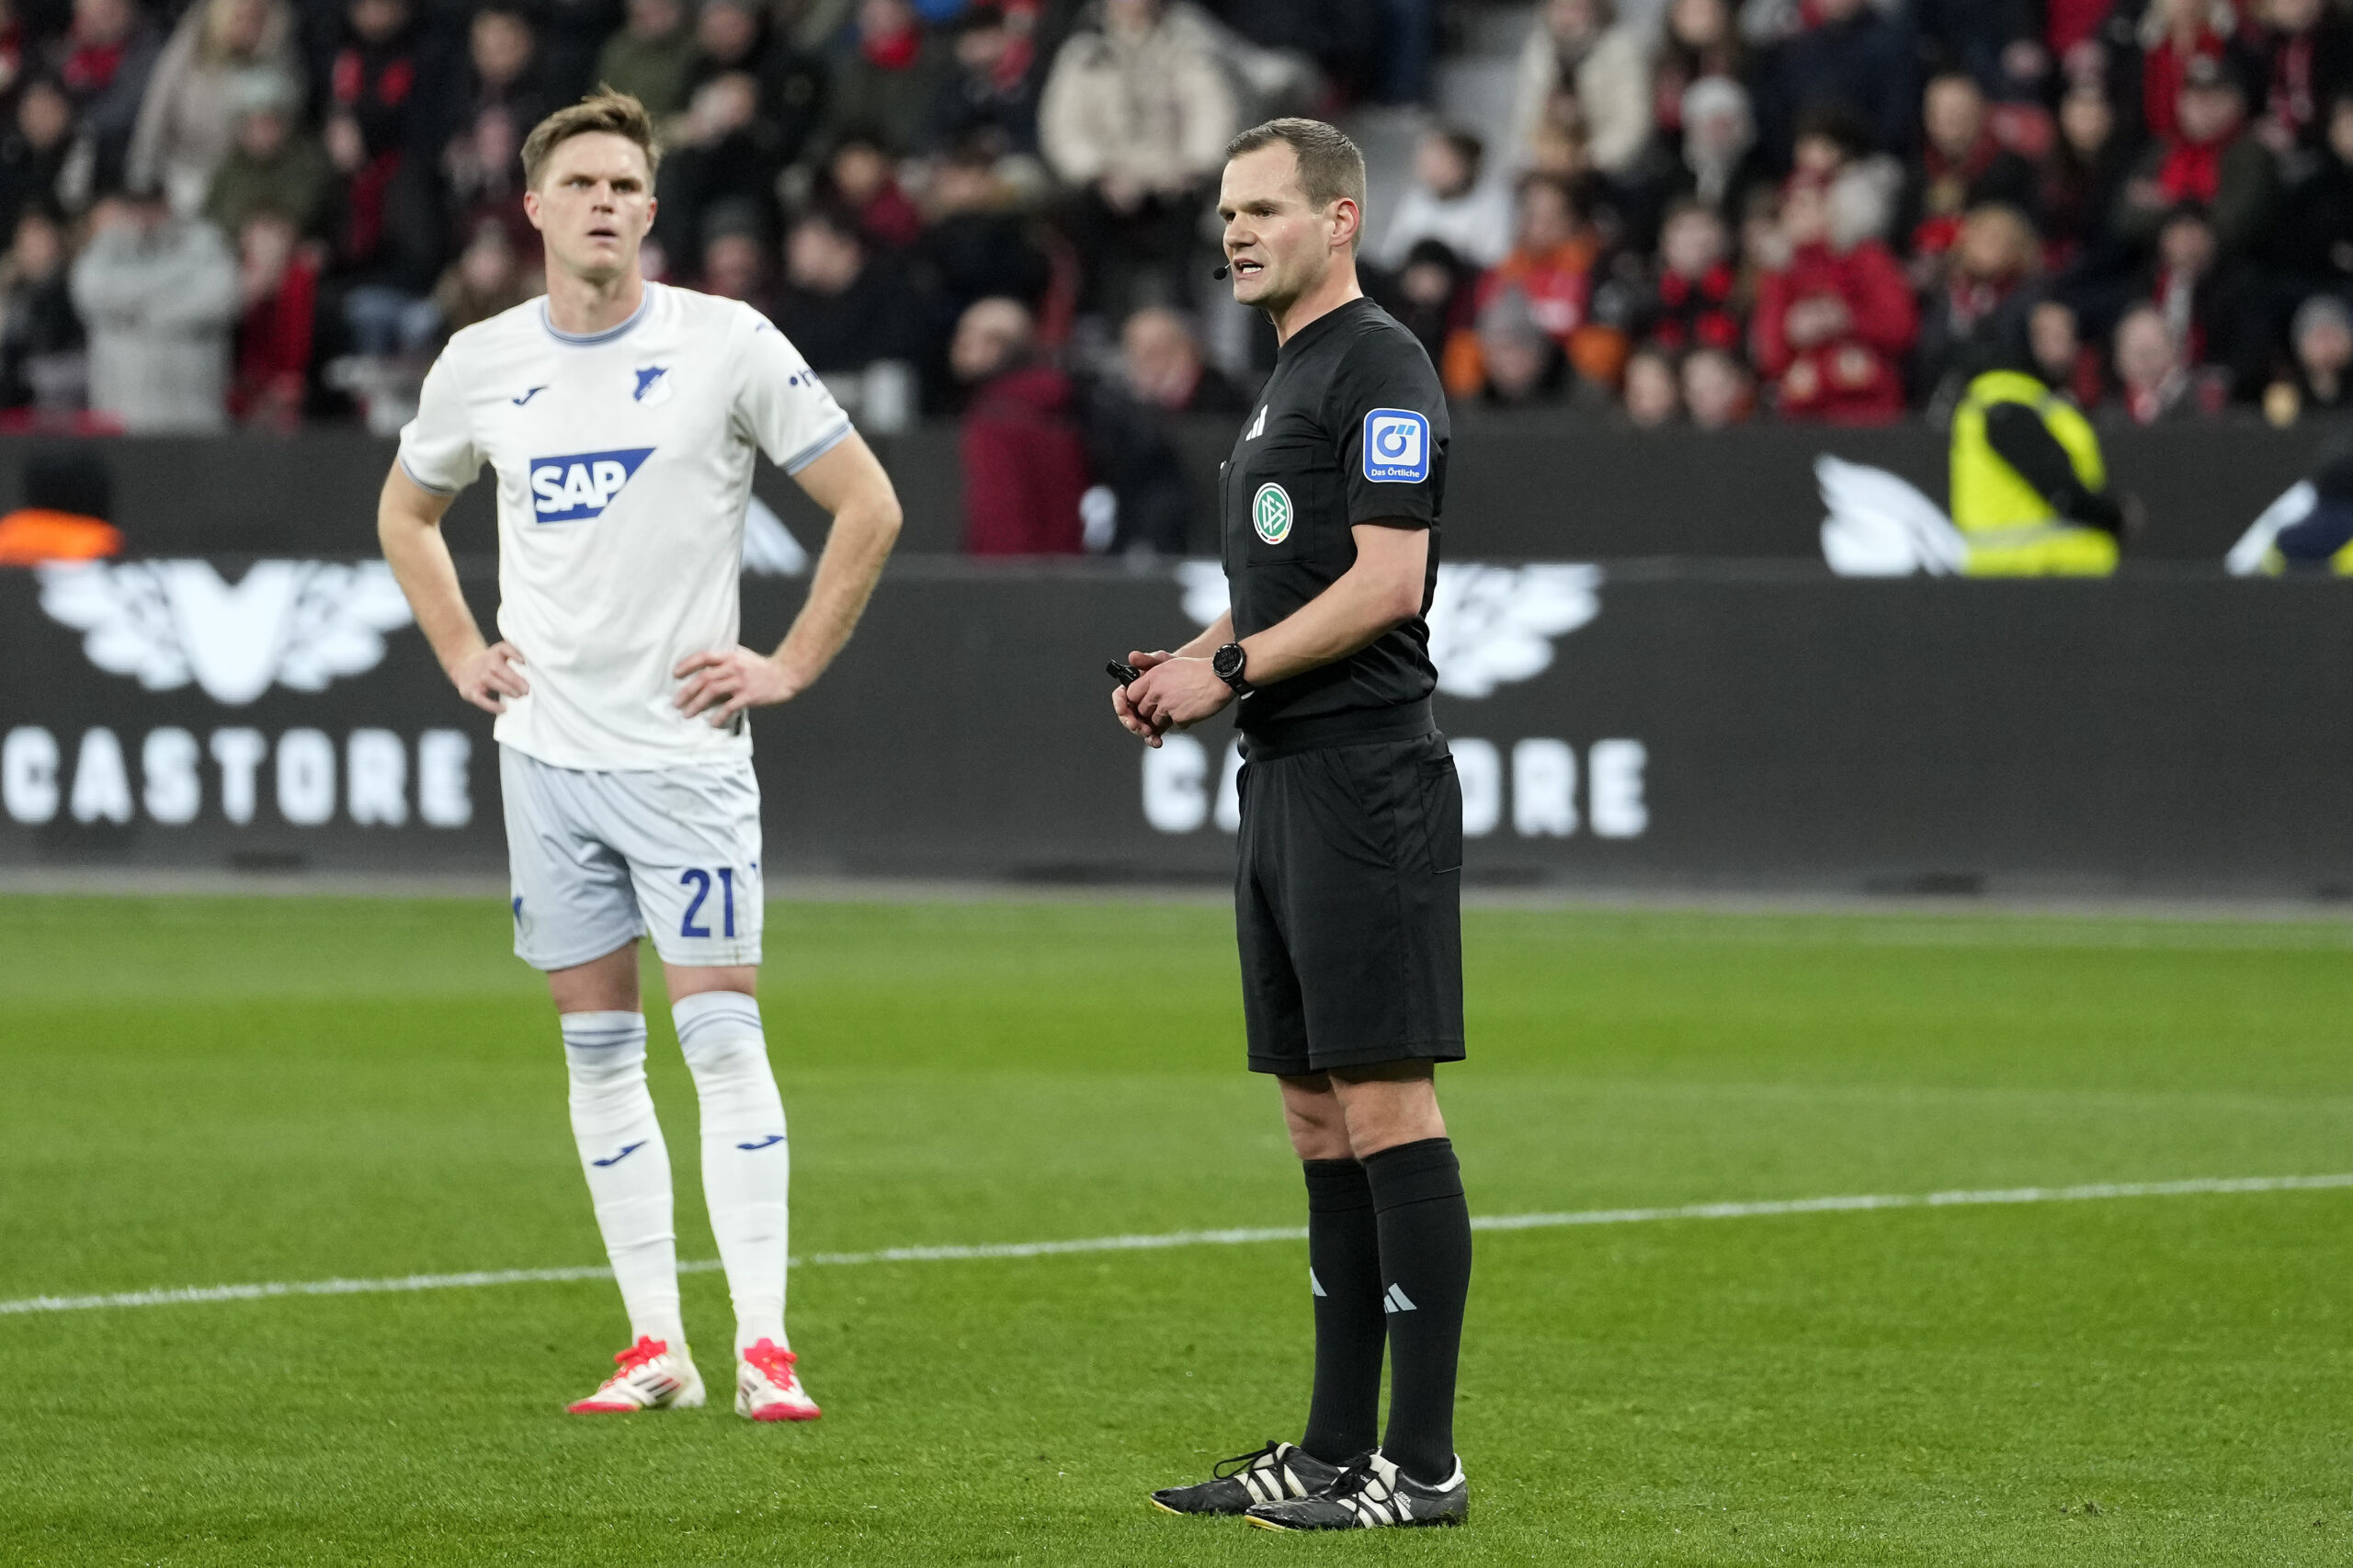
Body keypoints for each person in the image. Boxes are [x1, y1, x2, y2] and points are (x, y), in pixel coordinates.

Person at [376, 90, 903, 1423]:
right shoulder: (481, 362)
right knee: (599, 1054)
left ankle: (767, 1344)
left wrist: (785, 665)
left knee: (722, 1039)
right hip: (545, 758)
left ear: (650, 213)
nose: (605, 201)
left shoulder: (726, 343)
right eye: (583, 183)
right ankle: (654, 1342)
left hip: (683, 761)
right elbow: (408, 509)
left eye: (627, 184)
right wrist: (458, 647)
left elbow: (868, 504)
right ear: (536, 209)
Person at [1116, 117, 1472, 1533]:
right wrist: (1190, 663)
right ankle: (1330, 1450)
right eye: (1225, 211)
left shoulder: (1381, 363)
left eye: (1264, 208)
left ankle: (1423, 1464)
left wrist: (1233, 668)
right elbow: (1278, 592)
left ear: (1342, 220)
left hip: (1364, 775)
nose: (1235, 232)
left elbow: (1390, 583)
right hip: (1284, 774)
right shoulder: (1289, 383)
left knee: (1386, 1100)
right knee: (1318, 1116)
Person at [69, 182, 239, 431]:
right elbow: (89, 293)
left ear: (168, 205)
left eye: (152, 206)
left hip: (192, 409)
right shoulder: (107, 247)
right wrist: (172, 292)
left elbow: (221, 298)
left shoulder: (203, 242)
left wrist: (145, 314)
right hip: (124, 407)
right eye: (137, 207)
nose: (145, 216)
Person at [1949, 345, 2129, 574]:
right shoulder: (2008, 409)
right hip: (2041, 574)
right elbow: (2061, 493)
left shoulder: (1989, 407)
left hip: (2017, 576)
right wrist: (2114, 516)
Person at [950, 294, 1089, 553]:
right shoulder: (1052, 404)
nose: (960, 343)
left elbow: (1000, 514)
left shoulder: (997, 418)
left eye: (971, 335)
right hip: (1066, 568)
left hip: (1015, 579)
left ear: (999, 345)